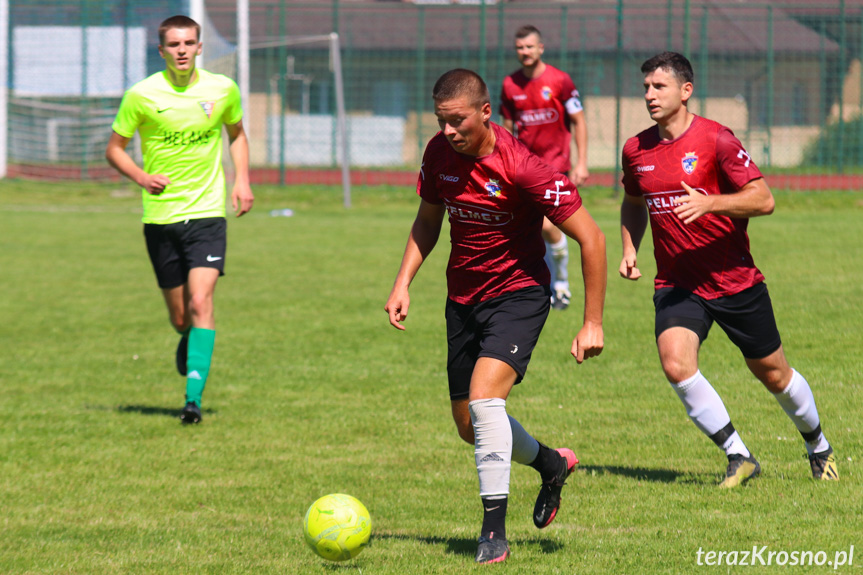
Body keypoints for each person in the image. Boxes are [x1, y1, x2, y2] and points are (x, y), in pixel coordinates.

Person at [385, 69, 606, 564]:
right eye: (441, 121)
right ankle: (551, 463)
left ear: (486, 112)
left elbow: (591, 237)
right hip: (462, 299)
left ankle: (492, 533)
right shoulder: (438, 154)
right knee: (470, 427)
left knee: (486, 402)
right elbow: (427, 221)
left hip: (519, 295)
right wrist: (402, 283)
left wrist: (592, 321)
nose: (448, 131)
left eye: (457, 120)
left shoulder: (524, 167)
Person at [619, 51, 838, 487]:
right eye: (645, 87)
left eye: (658, 86)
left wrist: (712, 202)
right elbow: (632, 202)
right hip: (678, 283)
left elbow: (764, 199)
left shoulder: (716, 139)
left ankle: (819, 446)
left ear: (686, 91)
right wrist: (630, 248)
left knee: (774, 373)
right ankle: (739, 455)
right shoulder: (635, 149)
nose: (649, 95)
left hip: (734, 281)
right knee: (676, 364)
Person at [106, 15, 254, 424]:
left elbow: (237, 133)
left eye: (189, 43)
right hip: (159, 218)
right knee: (179, 317)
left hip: (207, 212)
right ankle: (188, 338)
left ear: (200, 47)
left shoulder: (222, 89)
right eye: (174, 45)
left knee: (201, 300)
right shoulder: (141, 95)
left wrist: (242, 180)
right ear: (162, 51)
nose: (182, 50)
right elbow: (114, 148)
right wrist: (141, 176)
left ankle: (193, 400)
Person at [500, 25, 589, 311]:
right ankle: (544, 284)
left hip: (555, 167)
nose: (524, 52)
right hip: (523, 169)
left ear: (541, 48)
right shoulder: (510, 85)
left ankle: (559, 282)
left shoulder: (560, 80)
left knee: (548, 225)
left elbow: (578, 121)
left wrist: (582, 161)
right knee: (530, 229)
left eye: (529, 46)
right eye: (519, 47)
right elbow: (506, 130)